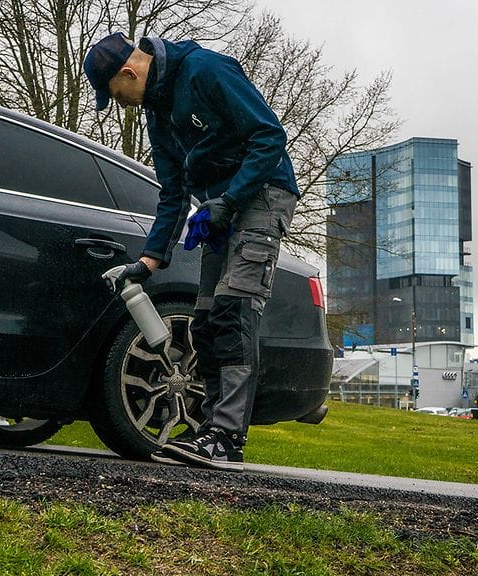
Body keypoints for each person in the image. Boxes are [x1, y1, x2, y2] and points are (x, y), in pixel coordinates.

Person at [83, 33, 300, 472]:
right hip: (220, 208)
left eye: (115, 94)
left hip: (262, 194)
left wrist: (231, 201)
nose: (119, 103)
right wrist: (148, 261)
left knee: (233, 312)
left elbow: (269, 136)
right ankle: (209, 430)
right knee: (205, 321)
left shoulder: (205, 70)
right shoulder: (157, 112)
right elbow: (173, 192)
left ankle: (228, 439)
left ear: (128, 72)